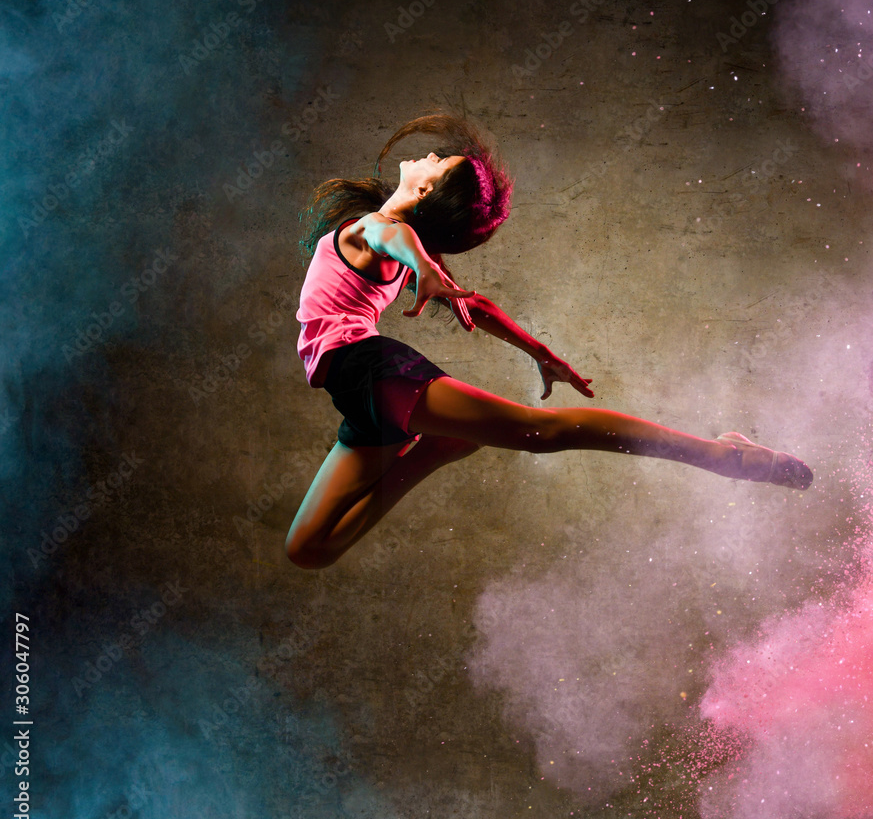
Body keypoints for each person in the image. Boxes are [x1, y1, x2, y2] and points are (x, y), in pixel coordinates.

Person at [285, 112, 813, 570]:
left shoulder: (377, 231)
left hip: (373, 374)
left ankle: (723, 456)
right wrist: (538, 351)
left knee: (543, 431)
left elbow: (388, 235)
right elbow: (476, 304)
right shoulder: (398, 240)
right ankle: (438, 449)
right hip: (357, 396)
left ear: (424, 191)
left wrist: (425, 269)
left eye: (437, 163)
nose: (428, 154)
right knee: (309, 549)